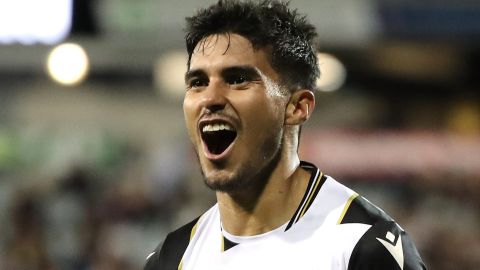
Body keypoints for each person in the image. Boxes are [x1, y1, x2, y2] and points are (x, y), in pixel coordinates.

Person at [145, 0, 426, 269]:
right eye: (198, 82)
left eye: (237, 79)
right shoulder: (173, 257)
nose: (210, 98)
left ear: (297, 107)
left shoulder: (362, 246)